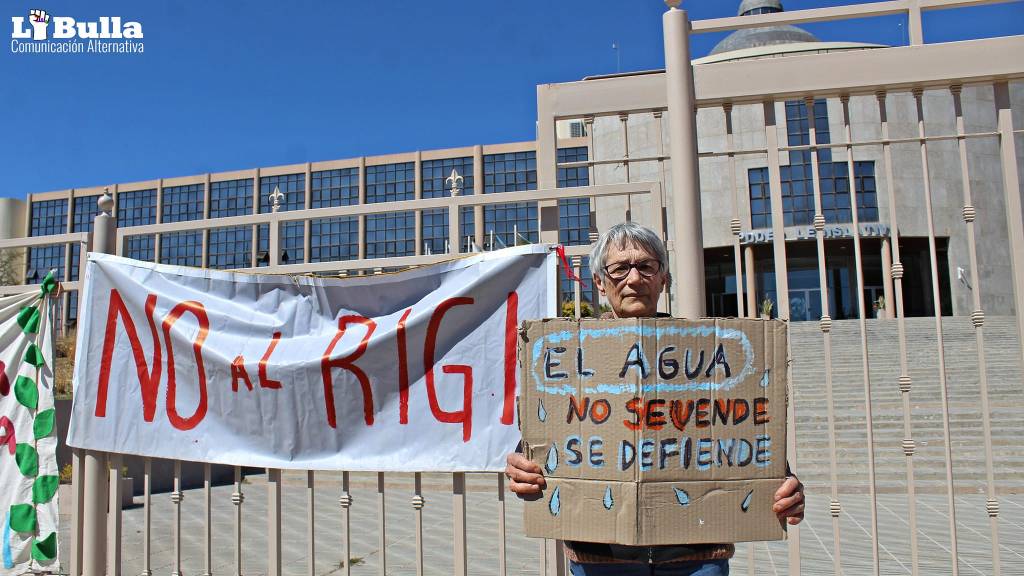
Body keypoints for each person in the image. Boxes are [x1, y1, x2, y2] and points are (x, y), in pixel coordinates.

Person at [506, 222, 805, 576]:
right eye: (620, 268)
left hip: (697, 559)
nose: (634, 279)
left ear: (663, 279)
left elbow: (741, 434)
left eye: (646, 266)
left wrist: (782, 484)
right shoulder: (569, 358)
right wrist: (523, 467)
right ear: (600, 282)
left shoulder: (707, 356)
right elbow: (548, 437)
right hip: (599, 560)